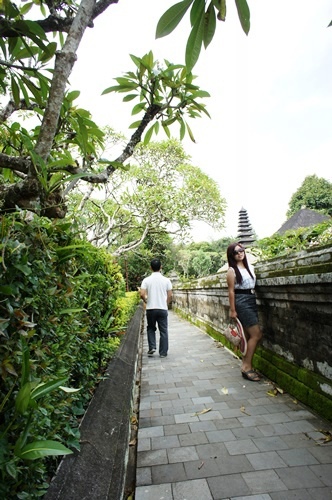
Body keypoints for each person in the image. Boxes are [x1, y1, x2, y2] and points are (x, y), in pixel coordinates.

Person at [226, 242, 262, 381]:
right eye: (236, 252)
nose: (240, 253)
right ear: (232, 255)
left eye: (241, 250)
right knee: (257, 334)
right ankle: (246, 367)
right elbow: (231, 291)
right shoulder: (232, 271)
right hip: (241, 302)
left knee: (248, 336)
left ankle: (246, 364)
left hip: (252, 299)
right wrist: (233, 310)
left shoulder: (250, 267)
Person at [140, 258, 173, 358]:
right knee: (163, 330)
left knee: (150, 328)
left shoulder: (146, 280)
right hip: (162, 308)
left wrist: (146, 301)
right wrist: (166, 304)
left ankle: (152, 347)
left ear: (150, 268)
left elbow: (142, 294)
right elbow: (170, 295)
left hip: (151, 308)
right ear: (161, 267)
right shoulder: (166, 280)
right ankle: (163, 353)